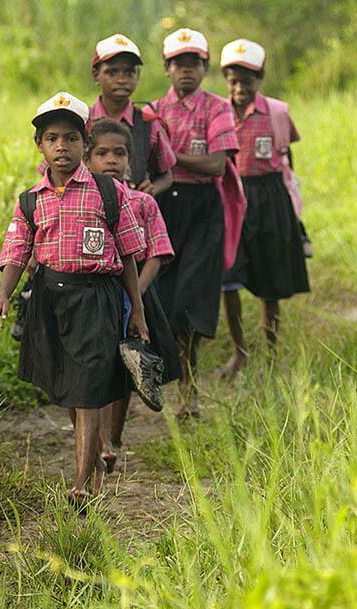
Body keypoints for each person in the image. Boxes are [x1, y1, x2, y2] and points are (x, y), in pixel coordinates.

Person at [0, 92, 149, 501]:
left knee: (90, 387)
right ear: (40, 145)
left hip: (97, 298)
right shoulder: (31, 200)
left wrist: (138, 312)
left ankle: (81, 481)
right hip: (51, 301)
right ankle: (92, 468)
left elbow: (129, 254)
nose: (63, 146)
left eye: (72, 138)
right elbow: (17, 252)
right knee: (70, 388)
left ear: (85, 145)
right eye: (53, 138)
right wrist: (3, 296)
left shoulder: (107, 194)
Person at [149, 28, 241, 419]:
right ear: (167, 68)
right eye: (178, 64)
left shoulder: (218, 108)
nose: (186, 71)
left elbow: (217, 164)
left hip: (204, 207)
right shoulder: (153, 111)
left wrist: (172, 155)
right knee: (165, 299)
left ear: (204, 67)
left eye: (194, 64)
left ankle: (190, 392)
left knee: (190, 298)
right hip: (165, 208)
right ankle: (171, 381)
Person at [85, 118, 180, 480]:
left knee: (126, 367)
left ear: (131, 159)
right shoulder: (82, 200)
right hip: (93, 294)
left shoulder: (142, 202)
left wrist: (134, 292)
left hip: (135, 291)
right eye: (102, 153)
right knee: (94, 368)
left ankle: (114, 440)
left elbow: (158, 251)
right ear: (88, 158)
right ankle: (92, 444)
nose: (111, 159)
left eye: (119, 153)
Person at [217, 39, 311, 379]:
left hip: (269, 194)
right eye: (234, 80)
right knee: (229, 278)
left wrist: (292, 205)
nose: (241, 87)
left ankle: (271, 350)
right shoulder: (218, 112)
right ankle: (239, 352)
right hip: (232, 196)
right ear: (225, 80)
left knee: (270, 275)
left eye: (248, 80)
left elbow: (287, 156)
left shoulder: (278, 111)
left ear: (261, 78)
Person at [88, 33, 176, 196]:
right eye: (112, 73)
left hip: (133, 214)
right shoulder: (82, 122)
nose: (121, 80)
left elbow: (167, 174)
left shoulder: (149, 124)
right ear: (96, 75)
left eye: (129, 73)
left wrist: (151, 190)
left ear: (138, 76)